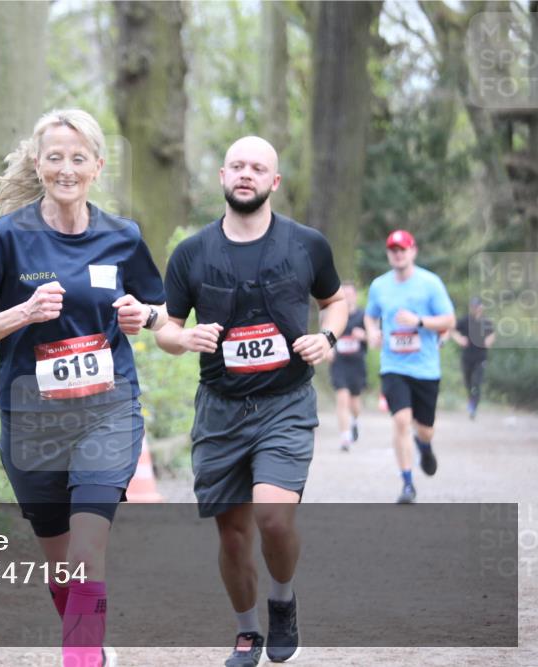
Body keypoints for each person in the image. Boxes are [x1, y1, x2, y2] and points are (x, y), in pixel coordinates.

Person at [0, 109, 167, 667]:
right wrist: (20, 313)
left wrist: (145, 315)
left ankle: (81, 659)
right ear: (38, 163)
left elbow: (158, 309)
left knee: (87, 549)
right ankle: (87, 641)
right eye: (54, 158)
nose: (65, 169)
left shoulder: (123, 236)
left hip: (106, 412)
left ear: (96, 166)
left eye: (77, 158)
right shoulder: (4, 238)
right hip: (32, 421)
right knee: (62, 563)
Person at [154, 136, 346, 667]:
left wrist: (326, 339)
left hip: (285, 402)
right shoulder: (192, 253)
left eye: (258, 168)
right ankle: (246, 632)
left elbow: (335, 301)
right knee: (233, 534)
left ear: (274, 182)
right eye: (237, 165)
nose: (246, 174)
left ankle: (282, 601)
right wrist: (182, 339)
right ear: (221, 175)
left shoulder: (307, 244)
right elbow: (165, 328)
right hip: (219, 406)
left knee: (274, 519)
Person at [364, 230, 455, 504]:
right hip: (393, 365)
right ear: (388, 254)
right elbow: (370, 317)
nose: (398, 254)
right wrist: (371, 333)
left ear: (413, 251)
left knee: (424, 428)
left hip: (426, 369)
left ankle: (425, 446)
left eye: (403, 249)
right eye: (393, 249)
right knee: (401, 421)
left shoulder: (430, 283)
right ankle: (407, 484)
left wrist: (418, 321)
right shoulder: (379, 286)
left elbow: (449, 320)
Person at [328, 282, 368, 451]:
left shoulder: (364, 316)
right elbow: (327, 334)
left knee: (355, 403)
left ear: (355, 296)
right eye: (344, 294)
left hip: (357, 364)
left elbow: (375, 337)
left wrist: (363, 336)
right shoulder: (335, 315)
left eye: (350, 294)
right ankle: (345, 438)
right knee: (342, 398)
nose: (348, 297)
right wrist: (327, 349)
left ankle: (354, 422)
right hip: (339, 364)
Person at [450, 296, 496, 419]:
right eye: (473, 306)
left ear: (481, 307)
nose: (475, 309)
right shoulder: (465, 320)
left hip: (481, 357)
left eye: (477, 306)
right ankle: (471, 400)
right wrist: (459, 339)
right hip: (467, 357)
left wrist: (488, 341)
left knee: (476, 382)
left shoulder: (486, 322)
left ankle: (473, 407)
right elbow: (452, 330)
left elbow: (492, 334)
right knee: (468, 382)